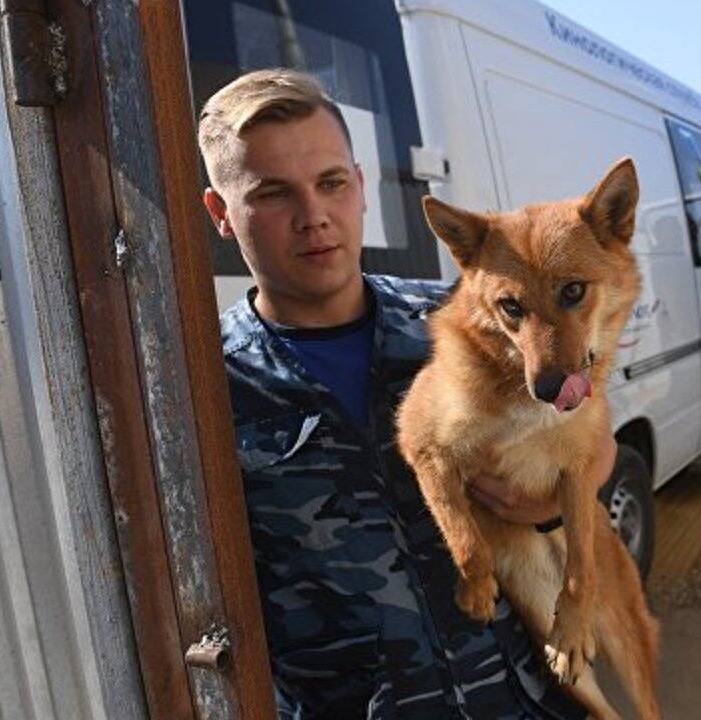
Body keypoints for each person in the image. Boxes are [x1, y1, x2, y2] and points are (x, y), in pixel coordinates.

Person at [197, 68, 603, 718]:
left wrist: (542, 509)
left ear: (360, 188)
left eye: (331, 183)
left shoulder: (464, 325)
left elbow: (584, 448)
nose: (313, 217)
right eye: (273, 194)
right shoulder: (207, 389)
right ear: (221, 213)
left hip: (524, 699)